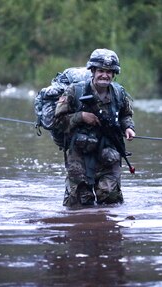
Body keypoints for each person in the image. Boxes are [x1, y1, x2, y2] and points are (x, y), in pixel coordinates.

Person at [54, 48, 136, 208]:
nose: (104, 75)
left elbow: (126, 115)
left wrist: (128, 128)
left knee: (111, 204)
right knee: (78, 204)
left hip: (109, 154)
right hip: (79, 156)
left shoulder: (119, 93)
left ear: (114, 74)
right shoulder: (74, 92)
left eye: (109, 71)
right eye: (101, 70)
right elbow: (57, 122)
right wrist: (81, 116)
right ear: (92, 71)